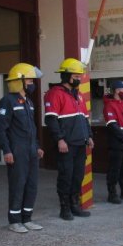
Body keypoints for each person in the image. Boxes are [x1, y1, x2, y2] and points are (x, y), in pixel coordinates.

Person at [0, 63, 45, 233]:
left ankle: (27, 218)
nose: (32, 83)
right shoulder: (7, 101)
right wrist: (6, 150)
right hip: (17, 151)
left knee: (32, 185)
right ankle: (14, 221)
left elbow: (32, 128)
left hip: (31, 150)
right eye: (30, 80)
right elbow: (1, 129)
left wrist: (37, 146)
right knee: (18, 185)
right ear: (20, 81)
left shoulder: (28, 102)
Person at [43, 58, 93, 221]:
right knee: (66, 175)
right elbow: (51, 120)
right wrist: (60, 139)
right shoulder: (55, 94)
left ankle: (75, 205)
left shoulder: (78, 95)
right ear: (66, 76)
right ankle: (65, 208)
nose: (79, 78)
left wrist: (89, 136)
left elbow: (85, 118)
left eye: (80, 75)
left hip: (80, 143)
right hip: (66, 144)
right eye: (76, 76)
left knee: (78, 176)